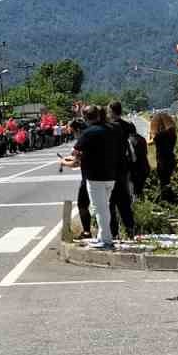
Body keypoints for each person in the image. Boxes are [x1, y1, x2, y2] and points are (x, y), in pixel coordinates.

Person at [61, 105, 117, 248]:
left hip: (95, 175)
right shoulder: (110, 129)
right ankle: (103, 236)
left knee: (100, 209)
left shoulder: (89, 132)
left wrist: (64, 162)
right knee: (105, 207)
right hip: (111, 174)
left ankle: (105, 239)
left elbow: (75, 153)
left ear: (85, 117)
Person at [106, 101, 138, 240]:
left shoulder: (110, 127)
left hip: (111, 167)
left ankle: (113, 232)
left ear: (111, 111)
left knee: (111, 201)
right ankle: (130, 229)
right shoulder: (128, 125)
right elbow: (135, 143)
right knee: (124, 199)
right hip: (125, 165)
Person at [148, 112, 178, 202]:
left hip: (162, 161)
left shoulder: (158, 136)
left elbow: (149, 142)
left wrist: (151, 133)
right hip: (171, 158)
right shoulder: (172, 133)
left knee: (163, 182)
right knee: (167, 181)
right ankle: (169, 197)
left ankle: (166, 199)